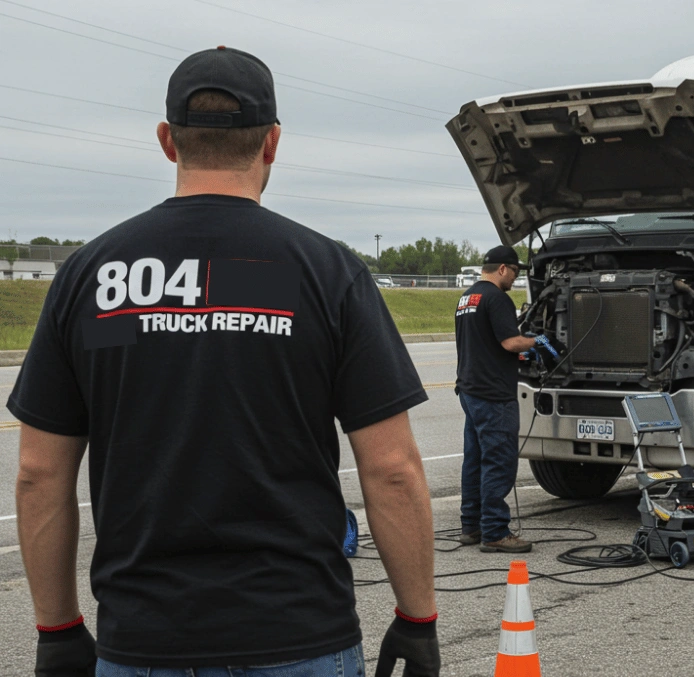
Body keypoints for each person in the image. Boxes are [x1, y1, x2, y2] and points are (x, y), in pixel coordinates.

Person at [10, 47, 440, 677]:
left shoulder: (93, 277)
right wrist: (418, 618)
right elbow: (394, 470)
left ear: (166, 140)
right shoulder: (322, 272)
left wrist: (57, 629)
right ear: (271, 143)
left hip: (142, 640)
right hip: (298, 634)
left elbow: (39, 477)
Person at [453, 246, 558, 554]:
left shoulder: (467, 298)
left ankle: (471, 526)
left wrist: (520, 349)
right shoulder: (497, 298)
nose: (516, 277)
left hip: (470, 390)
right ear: (502, 268)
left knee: (474, 461)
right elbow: (510, 341)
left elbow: (485, 341)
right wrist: (538, 341)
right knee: (498, 462)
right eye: (514, 271)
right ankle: (496, 531)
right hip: (493, 395)